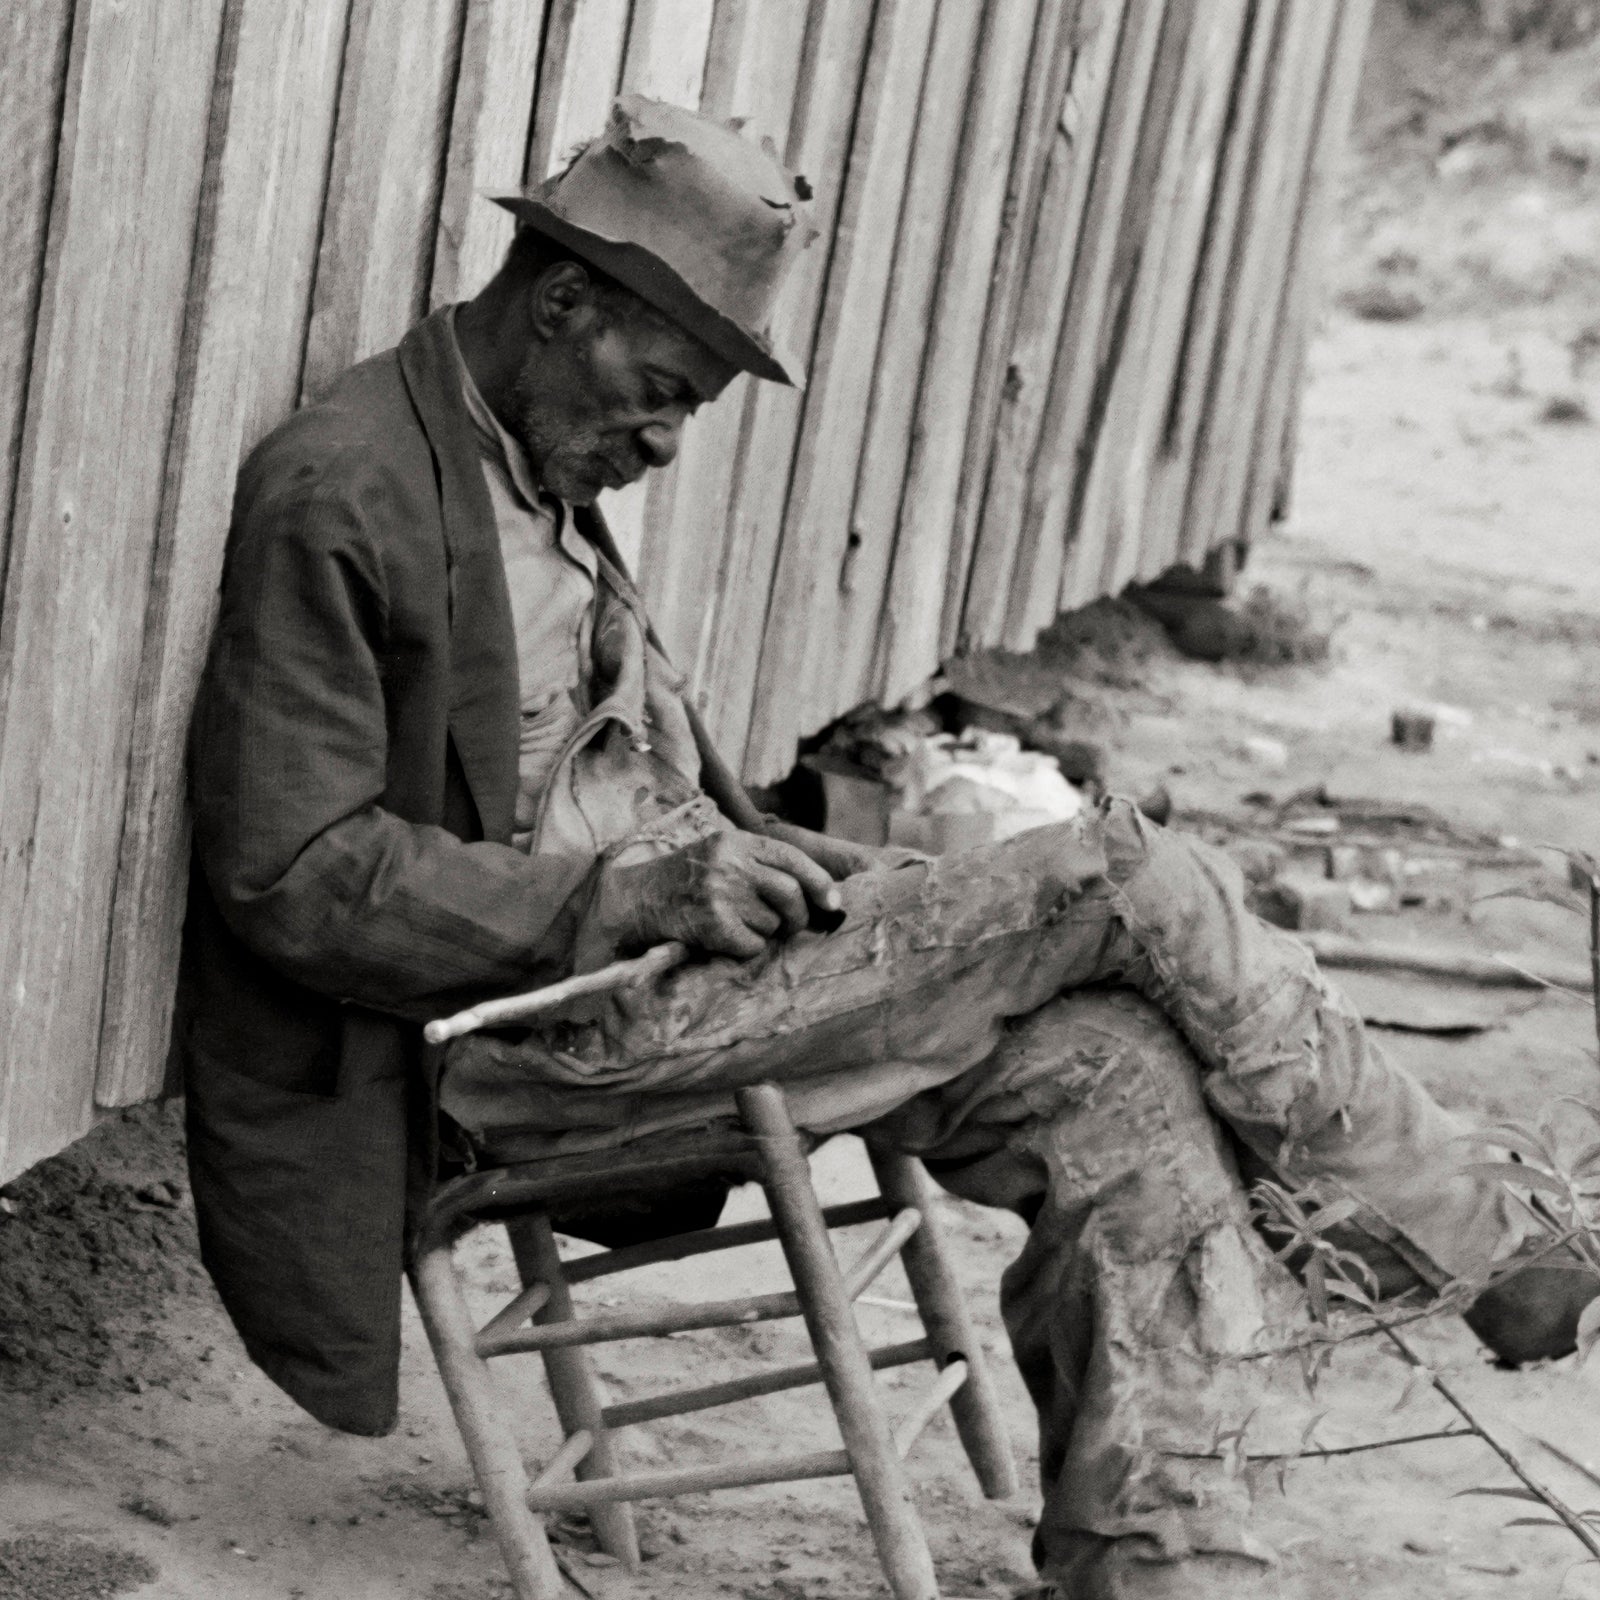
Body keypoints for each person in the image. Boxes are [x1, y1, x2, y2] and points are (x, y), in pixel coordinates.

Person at [181, 97, 1594, 1599]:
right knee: (1128, 875)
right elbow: (294, 873)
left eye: (689, 409)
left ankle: (1164, 1567)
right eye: (658, 394)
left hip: (691, 979)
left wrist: (810, 869)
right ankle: (1478, 1246)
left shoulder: (534, 466)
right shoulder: (348, 490)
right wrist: (630, 892)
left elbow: (617, 785)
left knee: (1119, 1072)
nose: (665, 441)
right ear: (564, 302)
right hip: (531, 1036)